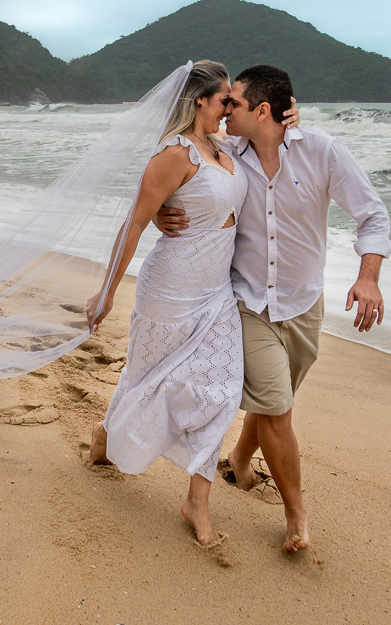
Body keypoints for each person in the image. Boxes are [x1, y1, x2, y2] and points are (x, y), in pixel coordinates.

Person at [155, 64, 391, 553]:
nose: (224, 111)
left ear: (263, 111)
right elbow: (174, 172)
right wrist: (161, 208)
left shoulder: (322, 151)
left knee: (275, 399)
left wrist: (368, 278)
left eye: (234, 104)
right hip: (247, 300)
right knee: (278, 408)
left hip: (304, 302)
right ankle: (297, 515)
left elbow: (373, 214)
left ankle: (240, 461)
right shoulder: (226, 153)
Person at [85, 60, 297, 547]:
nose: (230, 108)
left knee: (221, 392)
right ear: (199, 100)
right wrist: (107, 291)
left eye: (233, 101)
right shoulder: (174, 153)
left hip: (217, 292)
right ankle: (106, 433)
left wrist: (292, 118)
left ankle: (196, 500)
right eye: (224, 99)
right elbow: (134, 223)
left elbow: (269, 137)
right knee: (145, 379)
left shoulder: (224, 147)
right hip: (170, 289)